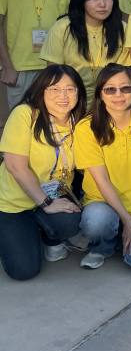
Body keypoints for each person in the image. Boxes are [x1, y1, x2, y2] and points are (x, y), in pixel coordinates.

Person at [0, 65, 86, 280]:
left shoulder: (79, 122)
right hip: (15, 204)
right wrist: (46, 203)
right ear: (41, 91)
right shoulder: (26, 114)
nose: (63, 96)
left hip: (54, 195)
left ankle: (50, 237)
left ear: (79, 92)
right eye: (54, 89)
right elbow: (15, 165)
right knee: (24, 270)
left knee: (71, 221)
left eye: (70, 89)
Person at [75, 64, 131, 272]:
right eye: (110, 89)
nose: (118, 95)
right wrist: (127, 220)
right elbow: (101, 180)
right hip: (103, 203)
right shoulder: (86, 128)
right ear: (100, 94)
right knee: (96, 220)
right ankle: (103, 247)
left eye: (125, 88)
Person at [41, 0, 129, 102]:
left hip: (109, 101)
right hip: (70, 100)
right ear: (81, 0)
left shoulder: (122, 29)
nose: (102, 4)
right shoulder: (62, 28)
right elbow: (53, 75)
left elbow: (124, 75)